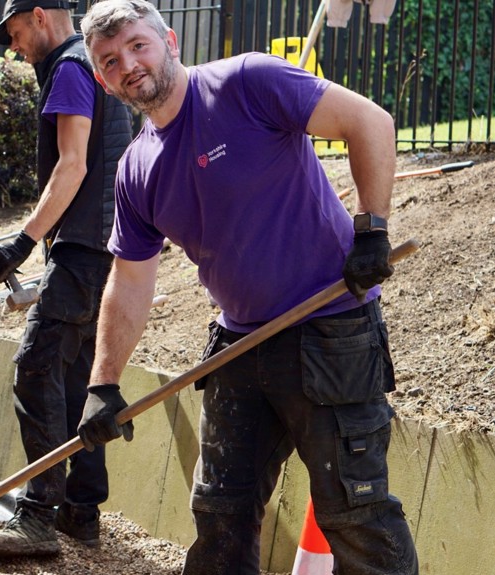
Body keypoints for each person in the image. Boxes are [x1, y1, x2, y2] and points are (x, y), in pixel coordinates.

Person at [75, 2, 419, 574]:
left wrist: (372, 229)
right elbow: (131, 279)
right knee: (219, 516)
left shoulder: (246, 82)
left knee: (355, 514)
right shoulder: (136, 170)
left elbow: (371, 122)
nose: (128, 64)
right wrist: (103, 384)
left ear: (170, 41)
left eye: (138, 45)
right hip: (239, 346)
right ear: (101, 80)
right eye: (110, 60)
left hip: (329, 333)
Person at [0, 0, 134, 557]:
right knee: (77, 384)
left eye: (14, 33)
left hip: (83, 249)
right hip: (107, 245)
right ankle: (81, 511)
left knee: (36, 369)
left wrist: (21, 243)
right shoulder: (90, 63)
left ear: (39, 15)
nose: (14, 47)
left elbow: (73, 164)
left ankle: (39, 515)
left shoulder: (68, 65)